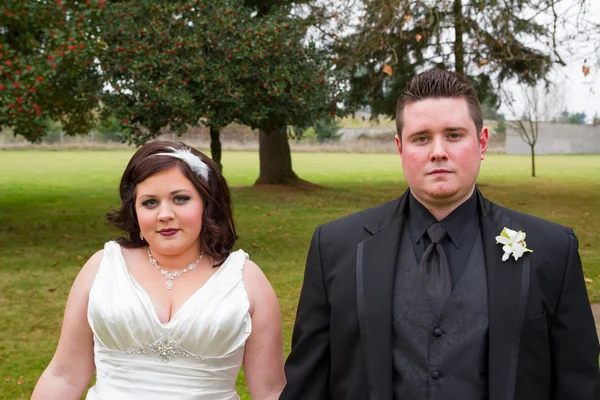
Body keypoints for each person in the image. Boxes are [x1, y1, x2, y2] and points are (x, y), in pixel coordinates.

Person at [281, 69, 600, 400]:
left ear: (482, 143)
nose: (438, 151)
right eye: (421, 138)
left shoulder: (552, 250)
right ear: (400, 148)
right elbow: (308, 385)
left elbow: (579, 385)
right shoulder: (335, 248)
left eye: (454, 135)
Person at [32, 141, 285, 400]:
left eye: (180, 199)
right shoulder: (102, 268)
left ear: (206, 204)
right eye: (150, 202)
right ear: (135, 209)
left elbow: (270, 391)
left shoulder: (246, 279)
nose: (165, 214)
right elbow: (64, 376)